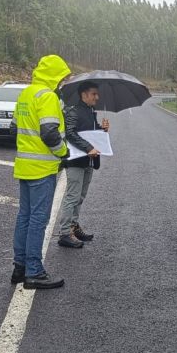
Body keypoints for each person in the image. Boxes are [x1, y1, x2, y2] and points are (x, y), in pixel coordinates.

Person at [11, 54, 71, 289]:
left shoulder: (26, 93)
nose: (63, 82)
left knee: (24, 218)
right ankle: (34, 272)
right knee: (38, 220)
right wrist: (63, 152)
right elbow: (49, 132)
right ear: (55, 75)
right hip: (42, 168)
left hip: (25, 166)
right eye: (63, 77)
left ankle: (20, 267)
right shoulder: (47, 96)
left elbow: (16, 125)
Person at [57, 81, 110, 249]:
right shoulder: (73, 112)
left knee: (80, 196)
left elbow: (90, 135)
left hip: (88, 160)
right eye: (94, 94)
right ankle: (65, 233)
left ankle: (73, 226)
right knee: (72, 197)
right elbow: (70, 133)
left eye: (97, 93)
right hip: (75, 160)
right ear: (84, 95)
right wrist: (88, 148)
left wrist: (103, 129)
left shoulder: (90, 112)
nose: (97, 97)